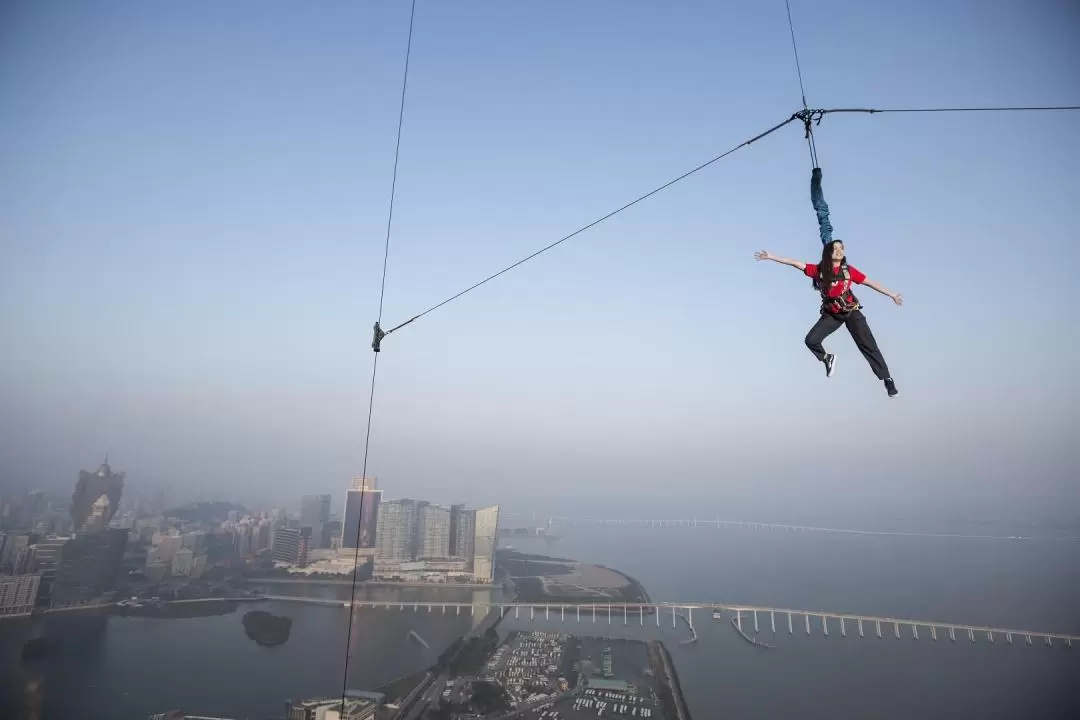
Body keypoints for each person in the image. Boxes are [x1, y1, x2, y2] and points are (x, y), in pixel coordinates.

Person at [754, 240, 902, 396]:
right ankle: (827, 358)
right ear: (828, 253)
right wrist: (772, 257)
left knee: (868, 345)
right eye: (835, 249)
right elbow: (794, 263)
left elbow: (870, 282)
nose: (839, 251)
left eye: (841, 248)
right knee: (811, 340)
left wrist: (892, 294)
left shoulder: (848, 271)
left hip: (851, 312)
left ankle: (887, 379)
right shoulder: (818, 270)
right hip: (832, 314)